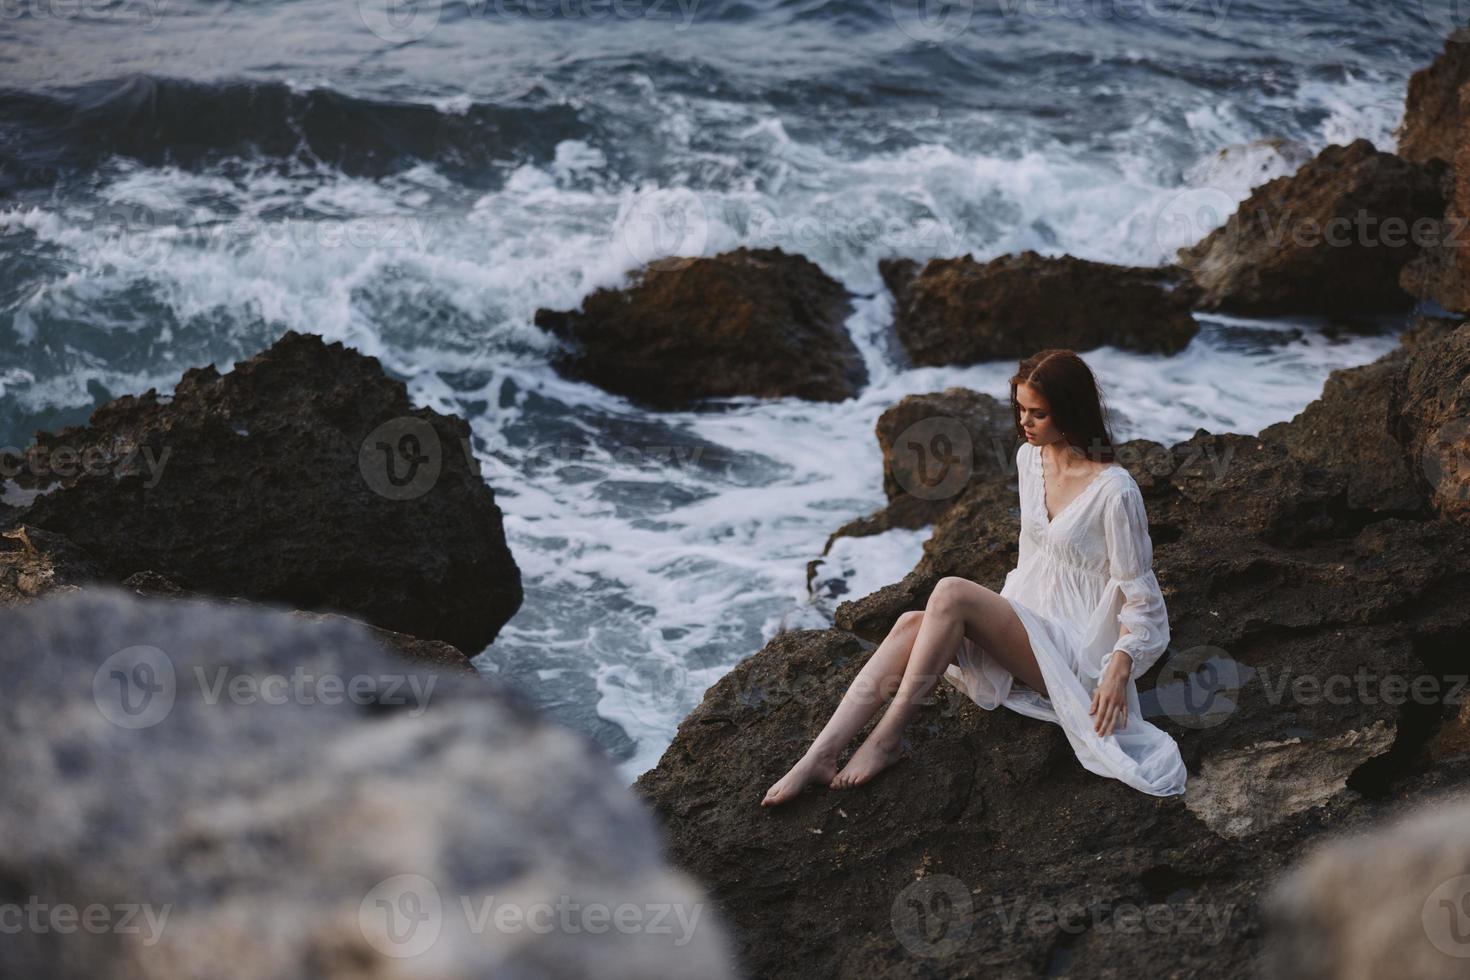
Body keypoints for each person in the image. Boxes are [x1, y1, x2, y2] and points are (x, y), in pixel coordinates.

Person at [761, 348, 1187, 805]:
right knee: (910, 623)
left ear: (1071, 411)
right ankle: (819, 756)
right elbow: (1033, 562)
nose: (1025, 422)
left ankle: (885, 740)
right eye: (1021, 409)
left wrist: (1119, 668)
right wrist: (997, 625)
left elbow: (1141, 598)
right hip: (1029, 629)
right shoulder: (1030, 459)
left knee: (951, 593)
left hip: (1077, 655)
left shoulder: (1114, 490)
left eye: (1038, 414)